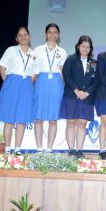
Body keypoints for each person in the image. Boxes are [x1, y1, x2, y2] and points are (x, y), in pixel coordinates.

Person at [0, 26, 38, 153]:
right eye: (20, 35)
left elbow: (35, 73)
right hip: (11, 84)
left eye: (25, 35)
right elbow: (2, 67)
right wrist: (8, 82)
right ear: (16, 38)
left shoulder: (34, 54)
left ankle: (18, 148)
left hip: (27, 86)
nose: (23, 37)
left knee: (22, 118)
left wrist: (25, 84)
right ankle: (8, 147)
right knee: (9, 118)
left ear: (29, 36)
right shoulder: (11, 50)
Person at [60, 35, 97, 158]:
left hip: (87, 97)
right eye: (83, 46)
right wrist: (77, 91)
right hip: (71, 95)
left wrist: (86, 93)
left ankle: (79, 151)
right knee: (71, 122)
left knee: (82, 124)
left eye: (88, 47)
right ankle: (71, 150)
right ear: (78, 46)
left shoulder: (94, 63)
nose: (85, 49)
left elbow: (96, 80)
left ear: (91, 49)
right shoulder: (71, 59)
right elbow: (67, 75)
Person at [33, 23, 67, 152]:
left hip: (56, 84)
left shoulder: (62, 51)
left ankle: (49, 148)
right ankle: (39, 148)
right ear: (46, 34)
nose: (52, 35)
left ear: (59, 35)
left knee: (53, 118)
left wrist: (65, 87)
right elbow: (34, 69)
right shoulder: (38, 49)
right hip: (41, 81)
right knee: (39, 117)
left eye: (55, 32)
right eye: (50, 32)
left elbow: (63, 71)